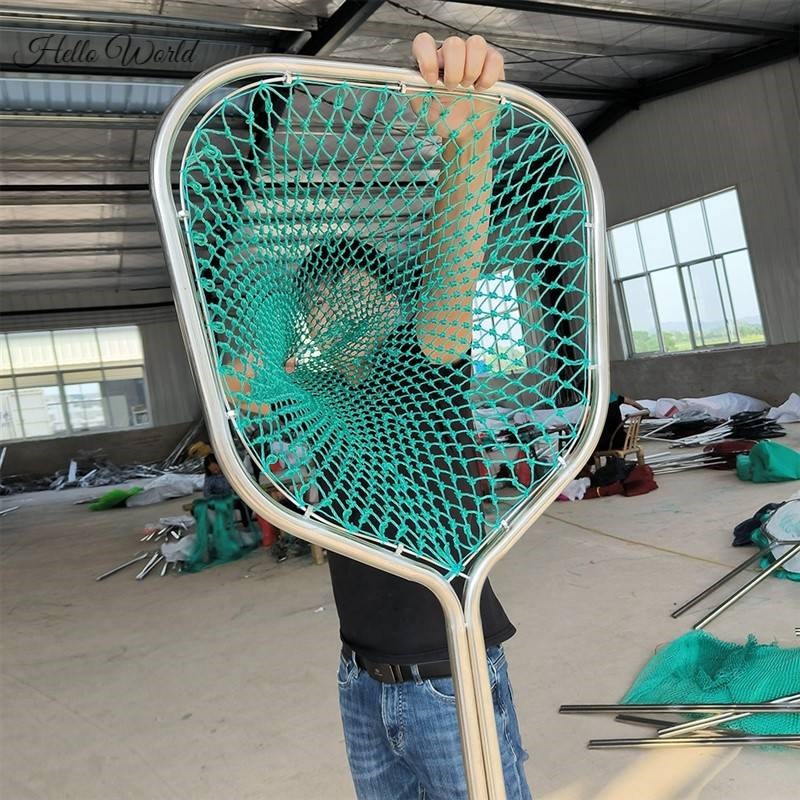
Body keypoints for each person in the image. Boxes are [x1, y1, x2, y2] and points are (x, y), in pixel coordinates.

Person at [227, 32, 531, 799]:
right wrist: (248, 377)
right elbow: (253, 401)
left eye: (349, 286)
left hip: (446, 672)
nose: (329, 306)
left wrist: (467, 150)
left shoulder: (424, 366)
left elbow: (451, 277)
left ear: (390, 299)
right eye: (317, 298)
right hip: (361, 678)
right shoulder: (315, 396)